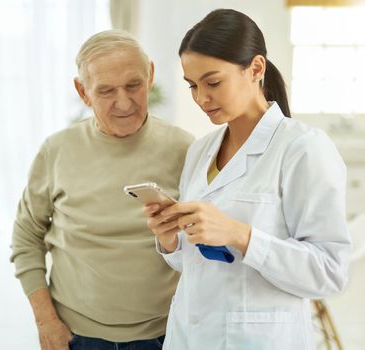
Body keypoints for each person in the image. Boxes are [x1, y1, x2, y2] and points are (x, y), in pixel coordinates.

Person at [144, 9, 351, 350]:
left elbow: (329, 272)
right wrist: (171, 241)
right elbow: (196, 263)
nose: (200, 98)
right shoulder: (200, 151)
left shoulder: (303, 149)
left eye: (213, 83)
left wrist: (241, 235)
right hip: (189, 335)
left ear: (255, 69)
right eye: (193, 86)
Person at [10, 30, 194, 350]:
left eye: (133, 85)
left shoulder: (185, 149)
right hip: (76, 335)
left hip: (167, 334)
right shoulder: (57, 151)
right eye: (106, 91)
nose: (123, 102)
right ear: (83, 91)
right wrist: (46, 321)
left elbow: (201, 246)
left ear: (150, 75)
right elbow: (26, 238)